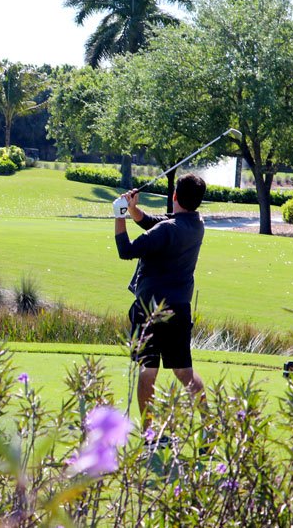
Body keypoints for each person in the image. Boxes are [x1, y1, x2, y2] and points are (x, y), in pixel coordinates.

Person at [113, 173, 207, 419]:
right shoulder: (197, 223)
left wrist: (119, 214)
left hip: (150, 308)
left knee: (148, 368)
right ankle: (210, 428)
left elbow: (126, 250)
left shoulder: (166, 230)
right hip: (180, 307)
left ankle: (149, 434)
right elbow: (155, 223)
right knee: (184, 371)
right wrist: (133, 210)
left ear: (174, 196)